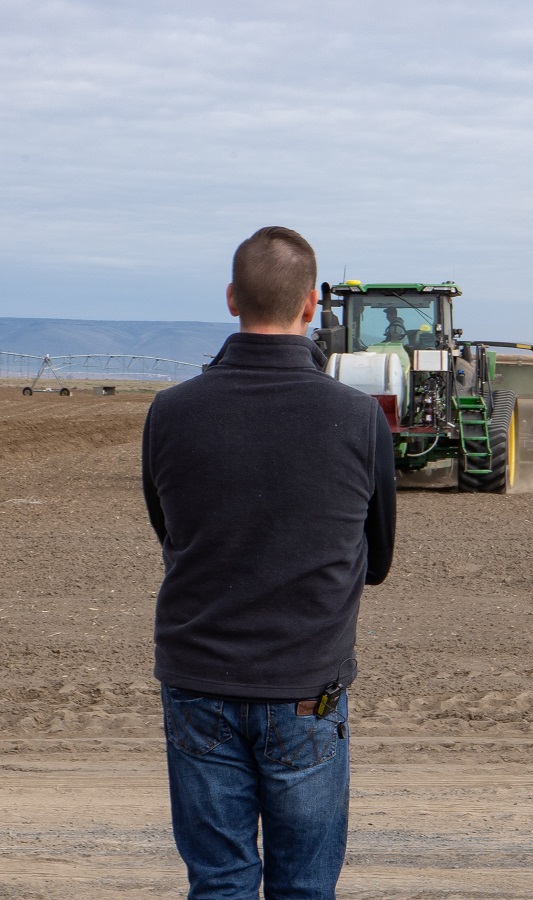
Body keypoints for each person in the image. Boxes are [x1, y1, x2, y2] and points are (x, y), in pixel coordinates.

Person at [142, 226, 396, 899]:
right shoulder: (358, 417)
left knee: (219, 882)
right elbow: (377, 559)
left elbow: (171, 532)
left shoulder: (170, 412)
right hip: (305, 687)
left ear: (232, 298)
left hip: (198, 679)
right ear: (311, 304)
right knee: (305, 886)